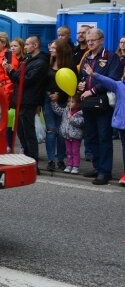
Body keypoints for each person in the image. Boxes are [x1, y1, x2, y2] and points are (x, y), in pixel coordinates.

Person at [77, 27, 122, 185]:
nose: (89, 43)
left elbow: (113, 79)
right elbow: (81, 76)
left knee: (104, 138)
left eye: (93, 40)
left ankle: (105, 171)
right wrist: (81, 85)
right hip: (88, 104)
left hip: (103, 103)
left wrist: (93, 90)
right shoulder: (86, 57)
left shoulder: (111, 57)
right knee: (91, 137)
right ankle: (97, 167)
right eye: (88, 40)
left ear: (101, 40)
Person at [4, 35, 48, 172]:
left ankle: (33, 163)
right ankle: (27, 159)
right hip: (20, 100)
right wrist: (10, 71)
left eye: (28, 44)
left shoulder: (40, 62)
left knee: (29, 133)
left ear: (35, 46)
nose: (26, 47)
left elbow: (26, 80)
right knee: (21, 132)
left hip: (29, 101)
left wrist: (11, 70)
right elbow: (17, 78)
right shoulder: (28, 59)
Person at [82, 57, 125, 186]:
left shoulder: (111, 57)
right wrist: (93, 74)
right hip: (122, 124)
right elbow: (107, 81)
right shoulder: (120, 85)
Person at [45, 38, 74, 171]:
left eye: (54, 48)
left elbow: (72, 85)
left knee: (62, 132)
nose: (51, 49)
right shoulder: (48, 62)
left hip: (63, 102)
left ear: (61, 50)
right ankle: (51, 159)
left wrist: (60, 95)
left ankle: (61, 159)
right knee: (51, 130)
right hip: (48, 99)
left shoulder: (70, 66)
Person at [52, 95, 84, 174]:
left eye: (72, 102)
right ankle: (69, 165)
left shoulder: (80, 113)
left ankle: (75, 166)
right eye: (68, 101)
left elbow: (80, 123)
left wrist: (71, 118)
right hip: (67, 135)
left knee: (75, 151)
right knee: (69, 151)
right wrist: (54, 102)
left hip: (75, 136)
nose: (69, 103)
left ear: (77, 104)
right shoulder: (66, 110)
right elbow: (58, 110)